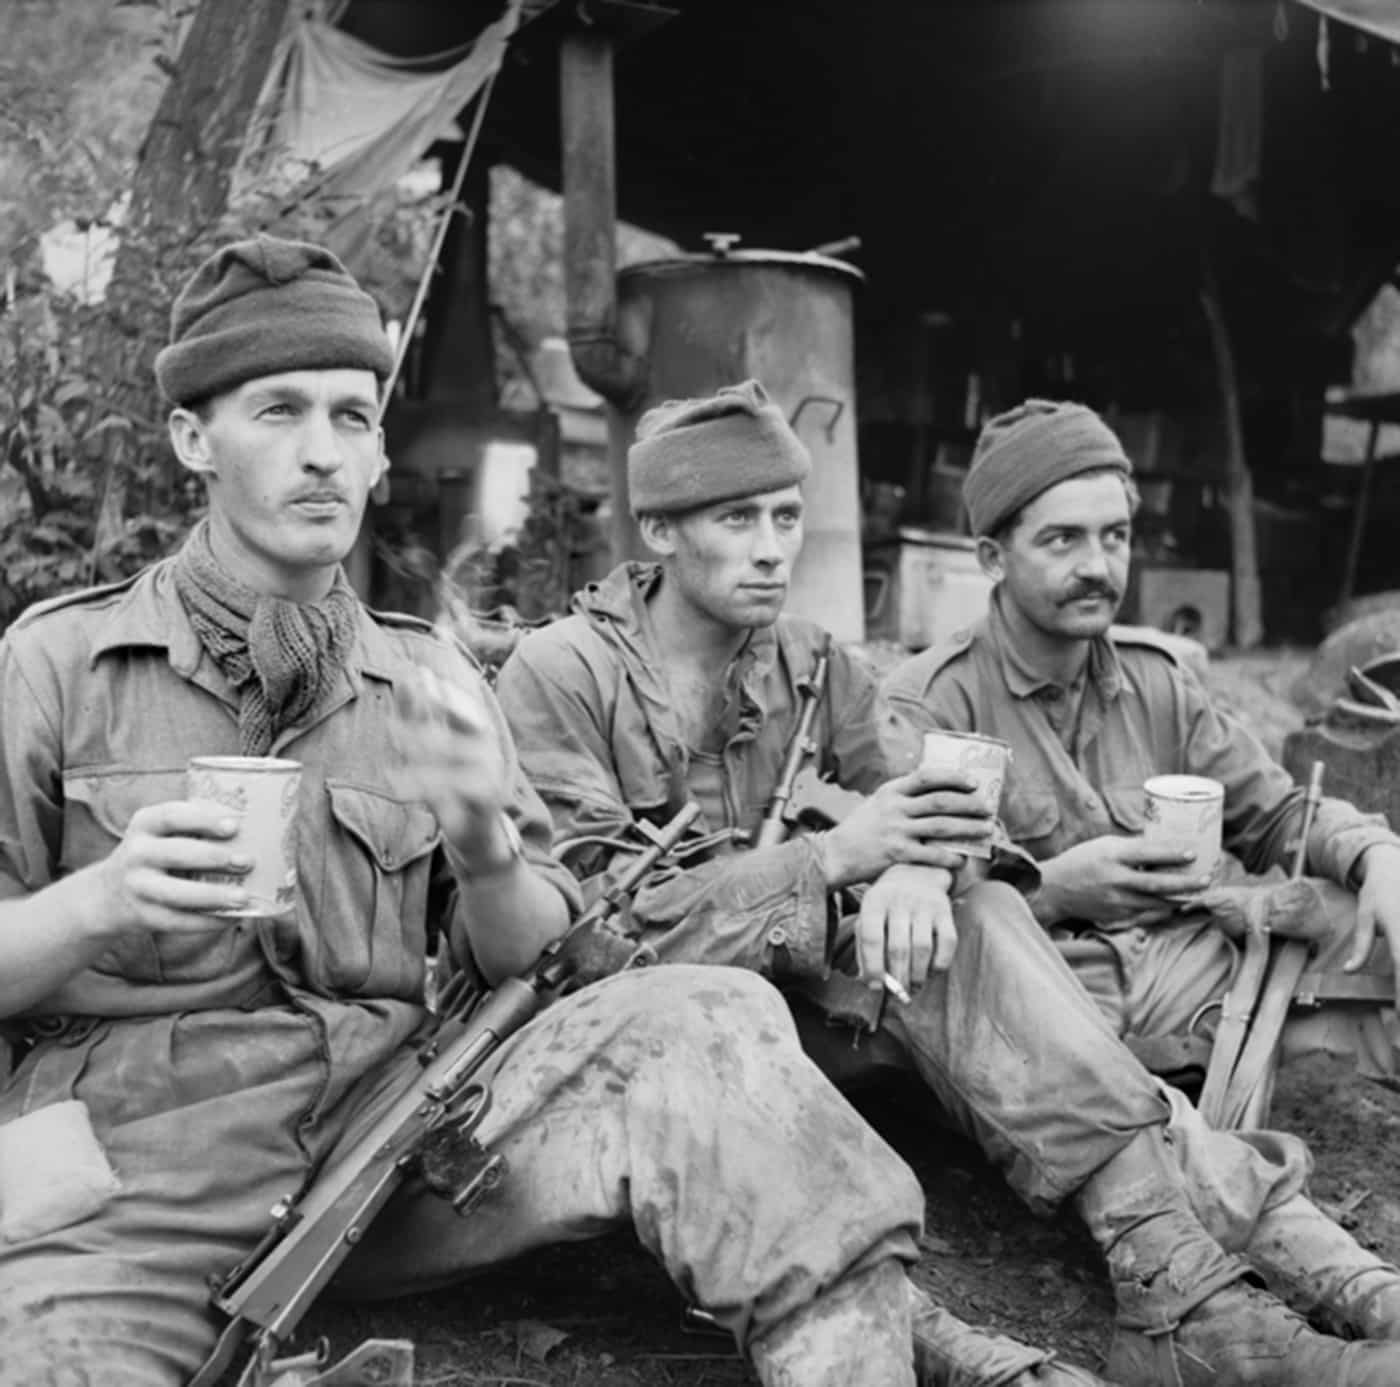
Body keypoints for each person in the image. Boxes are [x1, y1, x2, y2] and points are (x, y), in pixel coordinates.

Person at [0, 235, 962, 1387]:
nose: (322, 455)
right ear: (192, 440)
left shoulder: (430, 678)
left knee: (701, 1014)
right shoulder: (56, 662)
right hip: (138, 1162)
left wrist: (485, 846)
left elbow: (536, 958)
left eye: (351, 418)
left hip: (396, 1139)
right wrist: (101, 899)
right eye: (278, 412)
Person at [497, 378, 1400, 1386]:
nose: (770, 547)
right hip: (660, 1052)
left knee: (979, 908)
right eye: (734, 518)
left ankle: (1178, 1291)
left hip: (817, 1012)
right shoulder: (558, 672)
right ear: (658, 531)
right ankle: (981, 1335)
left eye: (786, 517)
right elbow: (590, 941)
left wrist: (921, 866)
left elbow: (949, 817)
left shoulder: (812, 664)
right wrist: (835, 859)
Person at [880, 398, 1400, 1085]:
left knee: (1373, 915)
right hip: (1042, 991)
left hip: (1187, 964)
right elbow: (916, 919)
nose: (1098, 566)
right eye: (1062, 540)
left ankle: (1209, 1060)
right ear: (992, 557)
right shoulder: (930, 701)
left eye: (1116, 536)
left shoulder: (1159, 680)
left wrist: (1378, 854)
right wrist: (1057, 892)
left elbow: (1277, 812)